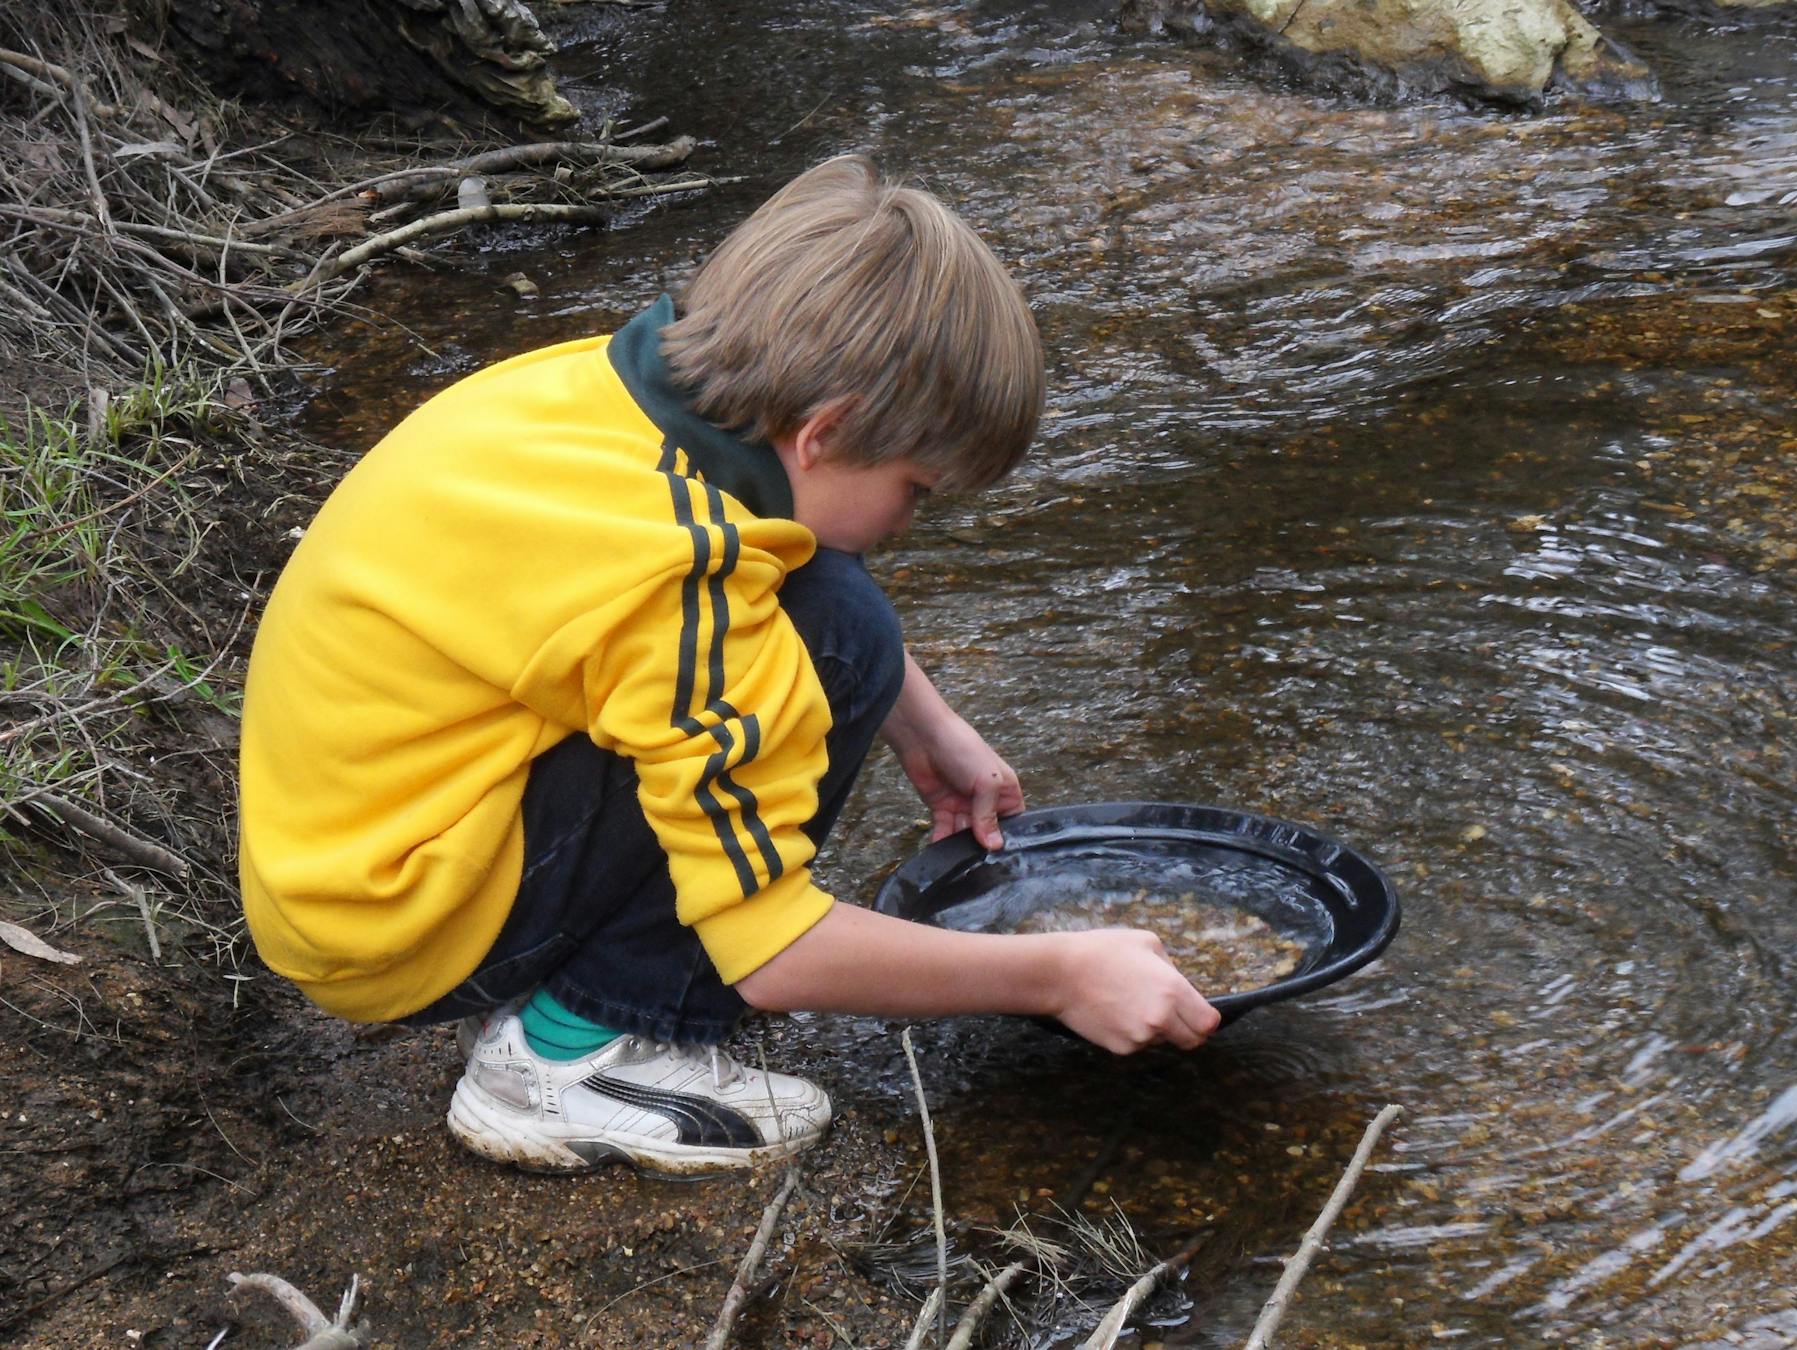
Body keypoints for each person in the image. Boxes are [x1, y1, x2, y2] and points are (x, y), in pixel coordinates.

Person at [238, 154, 1220, 1178]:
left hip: (342, 867)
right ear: (826, 432)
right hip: (401, 927)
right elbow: (769, 949)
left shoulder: (604, 389)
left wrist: (926, 724)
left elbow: (727, 584)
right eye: (918, 490)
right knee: (829, 632)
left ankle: (562, 983)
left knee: (831, 598)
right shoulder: (685, 582)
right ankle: (571, 1055)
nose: (909, 522)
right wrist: (1056, 974)